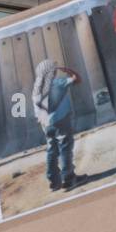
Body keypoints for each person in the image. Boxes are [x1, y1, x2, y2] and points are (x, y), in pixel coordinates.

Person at [32, 60, 80, 191]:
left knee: (52, 151)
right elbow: (77, 79)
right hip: (61, 121)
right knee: (65, 148)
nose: (55, 71)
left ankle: (54, 182)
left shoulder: (36, 89)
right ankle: (69, 179)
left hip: (46, 125)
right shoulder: (58, 82)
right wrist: (67, 70)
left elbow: (37, 112)